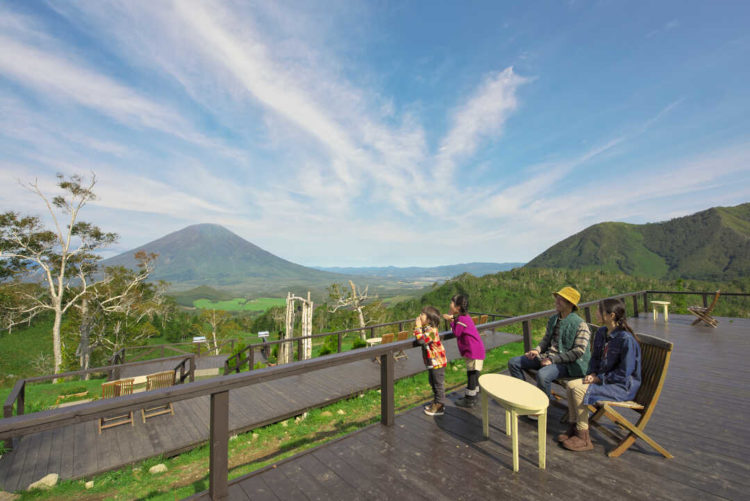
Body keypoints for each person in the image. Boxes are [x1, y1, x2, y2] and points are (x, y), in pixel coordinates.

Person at [560, 298, 642, 451]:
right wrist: (592, 373)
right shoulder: (602, 332)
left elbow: (624, 372)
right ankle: (573, 428)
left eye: (599, 311)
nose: (596, 313)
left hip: (621, 386)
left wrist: (599, 378)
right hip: (603, 380)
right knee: (571, 385)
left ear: (611, 316)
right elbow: (595, 358)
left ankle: (583, 437)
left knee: (578, 390)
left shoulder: (625, 340)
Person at [508, 286, 591, 401]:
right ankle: (525, 396)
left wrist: (553, 360)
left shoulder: (581, 325)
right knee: (514, 362)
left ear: (570, 304)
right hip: (547, 357)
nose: (556, 301)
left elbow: (578, 351)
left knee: (542, 375)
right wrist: (537, 350)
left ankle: (543, 407)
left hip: (568, 364)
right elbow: (546, 339)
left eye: (561, 299)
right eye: (557, 298)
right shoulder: (554, 319)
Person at [443, 294, 485, 408]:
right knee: (474, 373)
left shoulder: (462, 318)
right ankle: (473, 395)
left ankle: (470, 400)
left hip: (473, 350)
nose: (449, 304)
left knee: (471, 373)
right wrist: (452, 318)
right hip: (476, 349)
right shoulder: (464, 317)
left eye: (451, 302)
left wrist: (451, 319)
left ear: (457, 307)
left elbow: (457, 332)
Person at [414, 305, 447, 416]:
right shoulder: (428, 329)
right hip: (433, 362)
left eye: (422, 314)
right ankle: (436, 402)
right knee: (433, 382)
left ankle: (439, 406)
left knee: (438, 384)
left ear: (429, 319)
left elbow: (421, 341)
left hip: (437, 362)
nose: (420, 316)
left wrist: (417, 327)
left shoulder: (432, 331)